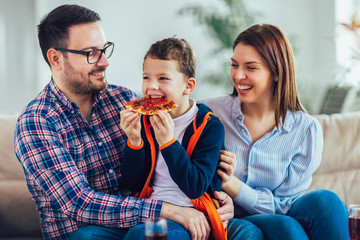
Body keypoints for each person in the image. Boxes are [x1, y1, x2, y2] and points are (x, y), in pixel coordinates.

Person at [13, 4, 237, 240]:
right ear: (56, 58)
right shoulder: (36, 122)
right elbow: (79, 203)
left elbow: (185, 143)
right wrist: (170, 211)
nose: (105, 62)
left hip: (145, 224)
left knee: (146, 235)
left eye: (104, 49)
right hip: (95, 229)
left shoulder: (124, 100)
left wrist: (217, 194)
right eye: (91, 53)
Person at [202, 24, 349, 239]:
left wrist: (234, 186)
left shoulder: (305, 130)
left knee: (326, 202)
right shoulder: (209, 112)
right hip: (228, 216)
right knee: (287, 228)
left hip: (278, 212)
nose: (238, 75)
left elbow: (283, 206)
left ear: (277, 73)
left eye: (251, 68)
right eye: (234, 65)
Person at [120, 37, 227, 239]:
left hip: (190, 214)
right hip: (147, 209)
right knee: (85, 235)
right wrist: (134, 142)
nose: (152, 86)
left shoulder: (210, 126)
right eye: (146, 77)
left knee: (143, 235)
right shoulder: (145, 120)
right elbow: (132, 184)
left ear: (188, 86)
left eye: (163, 78)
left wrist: (169, 143)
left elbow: (195, 187)